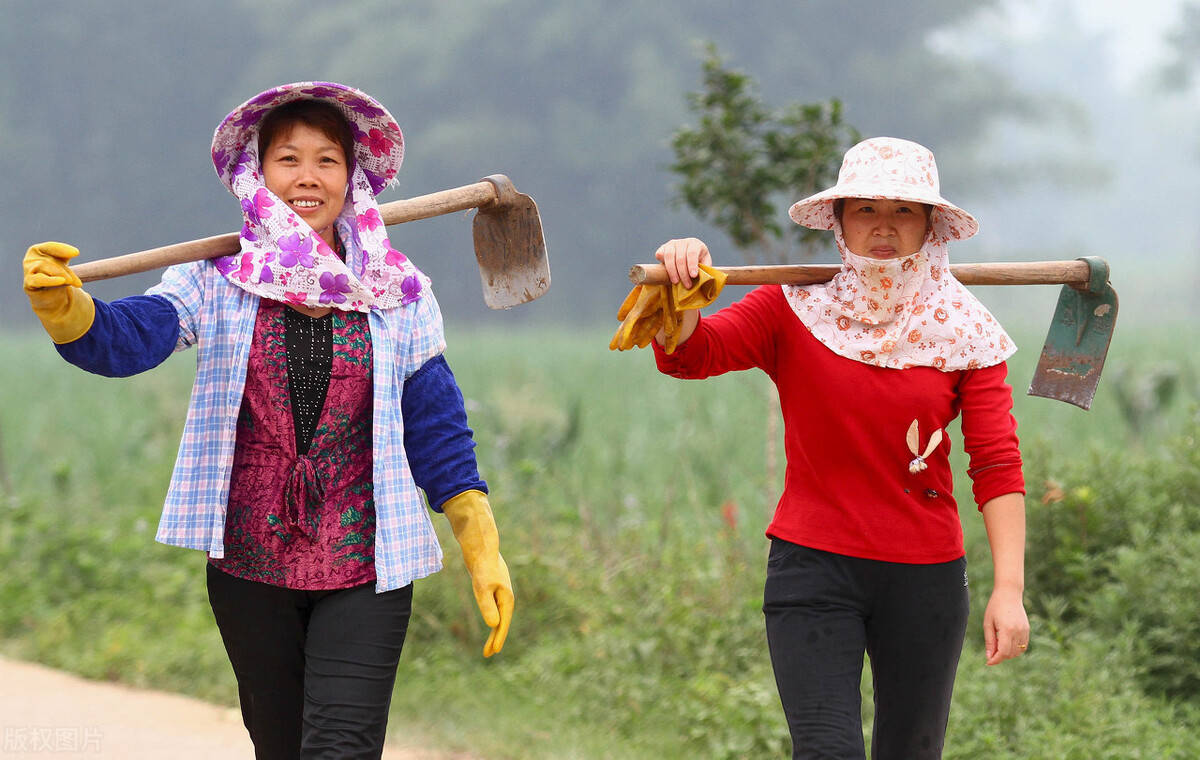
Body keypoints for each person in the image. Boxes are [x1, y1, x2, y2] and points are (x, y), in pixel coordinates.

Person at [21, 81, 514, 759]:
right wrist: (68, 311)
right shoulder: (216, 279)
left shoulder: (398, 292)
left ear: (352, 176)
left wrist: (477, 535)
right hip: (249, 567)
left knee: (341, 748)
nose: (307, 178)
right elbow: (129, 339)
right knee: (280, 748)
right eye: (288, 159)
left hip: (367, 564)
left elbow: (435, 422)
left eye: (327, 160)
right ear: (258, 175)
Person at [630, 137, 1029, 759]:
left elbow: (997, 463)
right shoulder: (792, 308)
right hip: (813, 565)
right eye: (866, 211)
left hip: (925, 577)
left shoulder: (966, 330)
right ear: (839, 221)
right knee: (825, 750)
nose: (884, 229)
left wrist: (1009, 589)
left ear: (930, 227)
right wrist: (682, 283)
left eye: (903, 212)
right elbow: (690, 356)